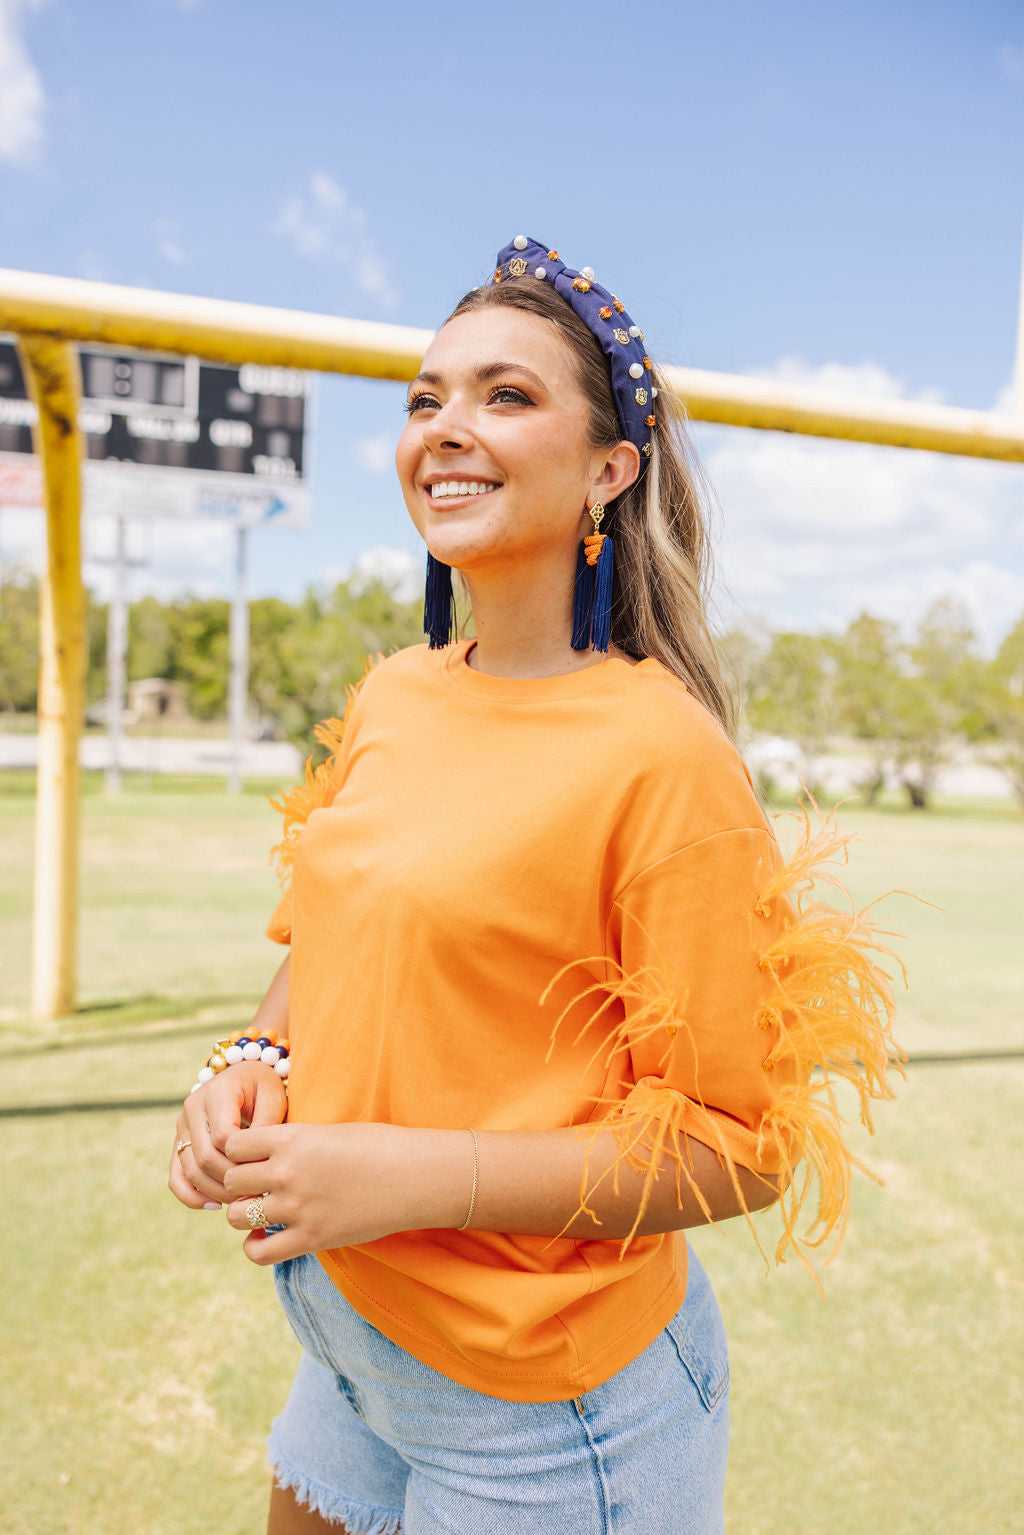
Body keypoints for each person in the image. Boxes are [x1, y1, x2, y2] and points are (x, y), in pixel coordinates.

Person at [168, 236, 901, 1535]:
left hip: (554, 1419)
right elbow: (328, 942)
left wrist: (414, 1175)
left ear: (608, 472)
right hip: (355, 1344)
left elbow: (739, 1148)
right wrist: (255, 1054)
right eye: (425, 399)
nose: (447, 429)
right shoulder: (395, 690)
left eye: (506, 396)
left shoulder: (662, 756)